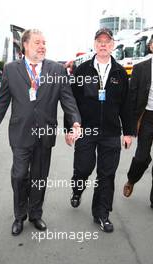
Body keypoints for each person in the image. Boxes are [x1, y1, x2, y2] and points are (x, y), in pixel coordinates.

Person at [0, 29, 81, 236]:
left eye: (44, 42)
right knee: (19, 175)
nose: (42, 46)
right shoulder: (11, 70)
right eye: (37, 42)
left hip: (45, 133)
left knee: (39, 177)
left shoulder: (57, 70)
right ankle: (19, 216)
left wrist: (74, 122)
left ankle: (36, 213)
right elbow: (2, 101)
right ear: (25, 45)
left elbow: (68, 99)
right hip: (20, 133)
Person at [65, 28, 133, 233]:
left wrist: (128, 132)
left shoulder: (120, 73)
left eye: (107, 41)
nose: (103, 44)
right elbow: (71, 102)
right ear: (95, 44)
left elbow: (126, 105)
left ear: (112, 45)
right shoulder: (82, 70)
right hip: (86, 130)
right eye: (99, 41)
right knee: (83, 168)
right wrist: (70, 128)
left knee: (107, 174)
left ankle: (101, 213)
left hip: (111, 133)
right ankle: (77, 189)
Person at [123, 37, 153, 208]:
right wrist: (129, 125)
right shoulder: (140, 68)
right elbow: (132, 97)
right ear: (151, 46)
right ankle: (132, 179)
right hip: (147, 118)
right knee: (142, 157)